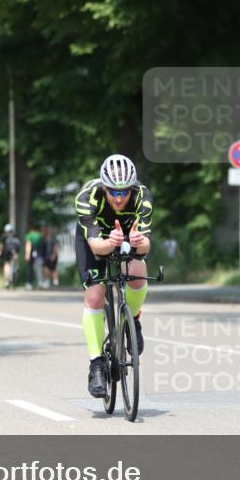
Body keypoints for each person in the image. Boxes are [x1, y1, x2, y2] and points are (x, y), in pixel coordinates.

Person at [74, 154, 152, 398]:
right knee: (95, 296)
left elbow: (146, 247)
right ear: (104, 187)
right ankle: (96, 364)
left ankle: (133, 320)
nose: (119, 198)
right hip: (95, 241)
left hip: (127, 234)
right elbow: (97, 248)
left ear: (132, 188)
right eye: (113, 192)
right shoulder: (87, 197)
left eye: (124, 191)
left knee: (137, 272)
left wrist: (138, 241)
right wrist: (110, 242)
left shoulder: (142, 196)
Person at [0, 223, 23, 290]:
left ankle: (7, 281)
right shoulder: (16, 236)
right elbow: (18, 245)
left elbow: (1, 245)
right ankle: (16, 270)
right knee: (16, 261)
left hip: (7, 252)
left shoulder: (4, 237)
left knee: (7, 264)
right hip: (15, 252)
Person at [24, 223, 44, 290]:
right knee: (39, 269)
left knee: (30, 269)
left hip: (31, 254)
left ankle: (29, 283)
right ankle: (40, 283)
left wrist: (27, 254)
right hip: (39, 254)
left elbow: (28, 244)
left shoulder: (29, 235)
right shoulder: (40, 235)